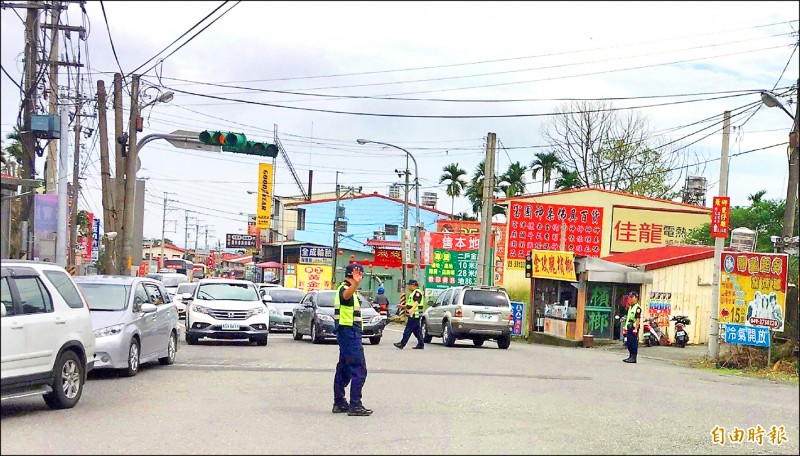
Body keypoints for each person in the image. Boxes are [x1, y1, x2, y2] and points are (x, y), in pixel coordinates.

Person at [332, 263, 373, 416]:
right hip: (349, 332)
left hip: (347, 331)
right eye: (359, 275)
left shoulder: (348, 289)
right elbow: (346, 296)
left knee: (344, 368)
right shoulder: (345, 289)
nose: (361, 278)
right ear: (355, 274)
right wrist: (355, 284)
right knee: (358, 368)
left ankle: (339, 402)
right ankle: (355, 405)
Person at [394, 279, 425, 350]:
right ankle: (421, 344)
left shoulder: (417, 292)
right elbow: (410, 304)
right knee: (417, 331)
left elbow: (416, 302)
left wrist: (411, 310)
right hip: (413, 315)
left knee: (408, 329)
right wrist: (403, 306)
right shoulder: (413, 293)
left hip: (415, 315)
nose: (408, 287)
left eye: (409, 285)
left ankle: (402, 344)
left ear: (413, 285)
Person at [623, 291, 642, 364]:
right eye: (630, 297)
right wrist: (625, 327)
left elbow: (637, 319)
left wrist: (636, 329)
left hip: (633, 328)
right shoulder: (630, 307)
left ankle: (633, 357)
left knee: (633, 343)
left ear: (636, 298)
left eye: (632, 297)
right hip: (629, 327)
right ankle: (630, 356)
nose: (630, 298)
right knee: (629, 343)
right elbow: (628, 318)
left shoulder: (637, 307)